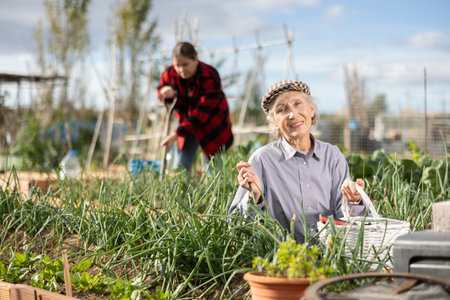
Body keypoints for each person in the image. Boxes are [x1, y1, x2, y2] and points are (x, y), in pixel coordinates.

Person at [229, 80, 367, 243]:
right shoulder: (262, 160)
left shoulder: (333, 156)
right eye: (282, 109)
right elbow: (236, 227)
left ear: (311, 110)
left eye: (298, 104)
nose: (292, 114)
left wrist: (353, 201)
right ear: (273, 122)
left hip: (329, 256)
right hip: (281, 258)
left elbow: (349, 223)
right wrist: (254, 197)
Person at [157, 41, 233, 171]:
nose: (181, 70)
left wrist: (176, 134)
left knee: (214, 170)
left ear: (196, 59)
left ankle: (215, 189)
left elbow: (201, 115)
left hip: (212, 124)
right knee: (181, 167)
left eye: (185, 64)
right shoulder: (170, 73)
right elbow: (161, 90)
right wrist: (168, 92)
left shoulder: (210, 76)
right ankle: (181, 188)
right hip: (187, 124)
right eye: (177, 65)